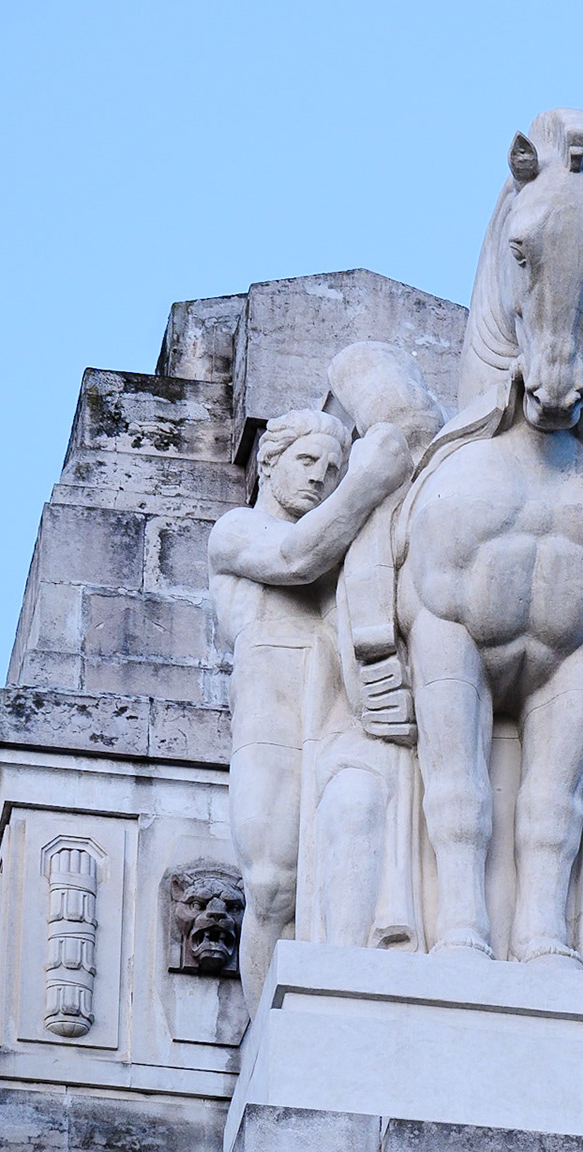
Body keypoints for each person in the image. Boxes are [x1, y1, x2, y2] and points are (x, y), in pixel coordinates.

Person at [207, 409, 411, 1005]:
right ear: (270, 464)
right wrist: (368, 480)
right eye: (306, 461)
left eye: (333, 467)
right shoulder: (237, 530)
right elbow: (297, 558)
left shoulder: (346, 544)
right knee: (273, 885)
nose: (320, 476)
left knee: (354, 830)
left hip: (341, 706)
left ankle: (342, 996)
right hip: (271, 712)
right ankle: (265, 1029)